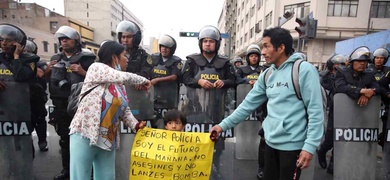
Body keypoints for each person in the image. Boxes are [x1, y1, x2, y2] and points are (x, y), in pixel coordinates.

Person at [210, 27, 324, 180]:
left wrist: (309, 147)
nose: (262, 52)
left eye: (266, 46)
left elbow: (316, 112)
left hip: (292, 148)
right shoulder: (267, 74)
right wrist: (222, 126)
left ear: (281, 48)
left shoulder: (304, 70)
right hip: (269, 144)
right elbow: (247, 105)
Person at [69, 40, 150, 180]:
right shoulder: (96, 68)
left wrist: (136, 125)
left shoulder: (120, 85)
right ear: (114, 57)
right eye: (124, 56)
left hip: (107, 139)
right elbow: (124, 76)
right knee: (80, 177)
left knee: (107, 177)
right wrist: (143, 80)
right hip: (84, 134)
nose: (127, 60)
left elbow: (125, 110)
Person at [181, 25, 236, 180]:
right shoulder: (192, 61)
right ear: (200, 43)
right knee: (196, 140)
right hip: (195, 109)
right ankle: (195, 169)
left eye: (211, 41)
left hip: (218, 108)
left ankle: (215, 168)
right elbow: (184, 78)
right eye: (205, 41)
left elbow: (234, 80)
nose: (207, 44)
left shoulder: (225, 63)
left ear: (217, 43)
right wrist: (198, 82)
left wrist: (223, 82)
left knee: (217, 141)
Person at [47, 26, 95, 180]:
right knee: (64, 140)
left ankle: (88, 171)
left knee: (85, 140)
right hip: (60, 103)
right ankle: (66, 170)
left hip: (80, 104)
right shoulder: (56, 58)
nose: (64, 41)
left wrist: (83, 72)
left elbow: (97, 80)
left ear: (76, 40)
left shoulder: (87, 58)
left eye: (67, 38)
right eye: (61, 39)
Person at [0, 23, 40, 160]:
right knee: (5, 144)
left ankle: (24, 170)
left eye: (9, 40)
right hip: (3, 110)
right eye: (2, 40)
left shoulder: (30, 60)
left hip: (23, 110)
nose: (4, 43)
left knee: (23, 144)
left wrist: (17, 57)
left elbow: (20, 77)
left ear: (19, 44)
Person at [235, 43, 266, 180]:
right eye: (251, 56)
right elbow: (236, 80)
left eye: (256, 56)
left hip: (261, 104)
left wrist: (258, 82)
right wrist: (248, 82)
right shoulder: (242, 69)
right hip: (244, 100)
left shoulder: (263, 69)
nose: (254, 58)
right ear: (247, 57)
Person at [317, 54, 347, 173]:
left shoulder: (346, 76)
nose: (339, 67)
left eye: (341, 65)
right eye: (336, 65)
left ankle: (333, 164)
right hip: (328, 108)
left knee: (340, 138)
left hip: (343, 109)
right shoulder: (323, 77)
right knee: (329, 138)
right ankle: (322, 151)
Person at [150, 34, 182, 128]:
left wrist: (158, 80)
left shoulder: (176, 61)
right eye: (162, 46)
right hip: (153, 100)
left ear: (172, 49)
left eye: (167, 47)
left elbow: (174, 77)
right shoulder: (153, 58)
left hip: (169, 101)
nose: (164, 49)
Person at [24, 39, 49, 152]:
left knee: (40, 120)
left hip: (37, 97)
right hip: (23, 98)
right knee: (26, 122)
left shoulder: (38, 62)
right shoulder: (18, 62)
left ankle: (42, 141)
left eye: (28, 51)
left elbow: (42, 72)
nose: (25, 53)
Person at [370, 47, 390, 147]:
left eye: (381, 58)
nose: (379, 60)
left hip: (385, 103)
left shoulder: (388, 70)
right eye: (377, 58)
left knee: (386, 128)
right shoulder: (368, 69)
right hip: (371, 102)